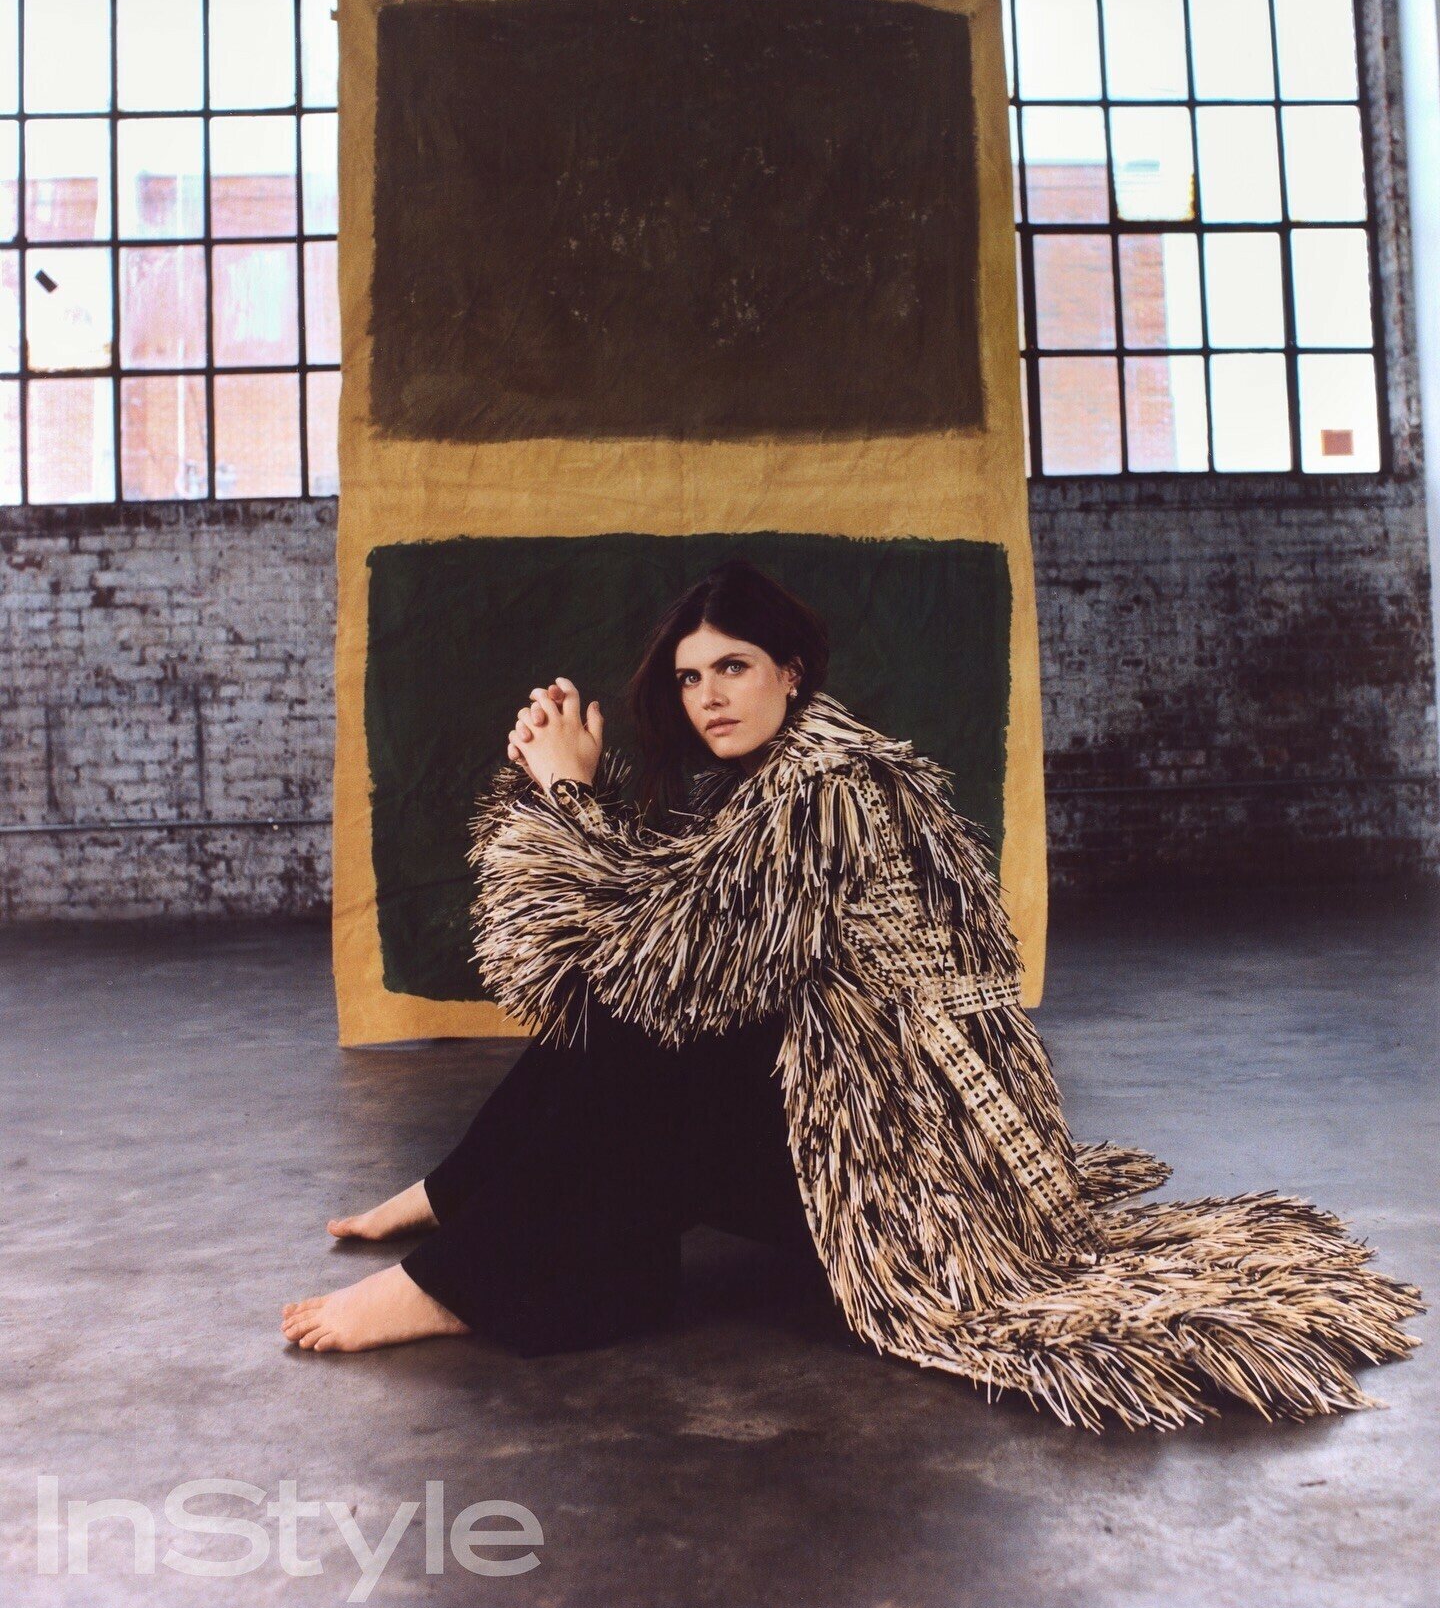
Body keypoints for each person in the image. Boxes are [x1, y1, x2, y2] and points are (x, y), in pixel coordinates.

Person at [283, 560, 1422, 1432]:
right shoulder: (793, 777)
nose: (709, 697)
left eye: (733, 667)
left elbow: (654, 960)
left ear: (792, 670)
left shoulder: (825, 792)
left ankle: (463, 1279)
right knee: (634, 1027)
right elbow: (680, 926)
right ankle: (462, 1195)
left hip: (906, 1166)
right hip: (876, 1108)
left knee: (638, 1040)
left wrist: (569, 798)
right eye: (689, 677)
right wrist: (576, 801)